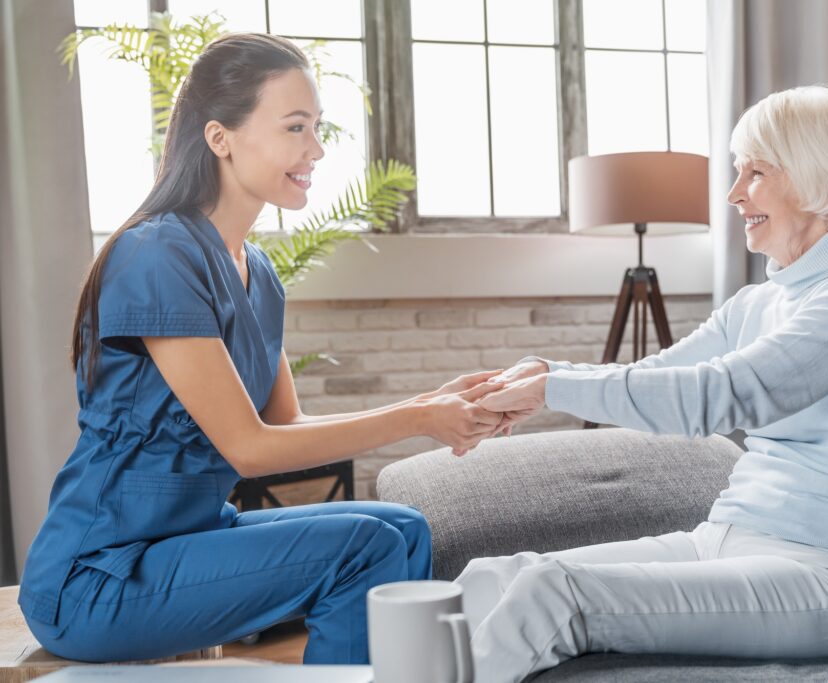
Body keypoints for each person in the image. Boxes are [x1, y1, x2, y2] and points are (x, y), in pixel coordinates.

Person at [18, 33, 505, 665]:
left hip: (187, 538)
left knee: (403, 528)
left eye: (318, 127)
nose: (317, 149)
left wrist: (428, 403)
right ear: (221, 137)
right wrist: (418, 420)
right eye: (296, 128)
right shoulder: (157, 254)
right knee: (363, 548)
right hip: (99, 574)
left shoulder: (260, 274)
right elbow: (247, 449)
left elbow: (285, 426)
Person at [462, 85, 828, 682]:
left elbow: (721, 394)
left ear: (825, 184)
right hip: (724, 539)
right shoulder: (756, 302)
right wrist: (547, 372)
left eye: (756, 173)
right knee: (491, 578)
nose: (735, 195)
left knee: (550, 593)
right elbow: (658, 376)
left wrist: (552, 390)